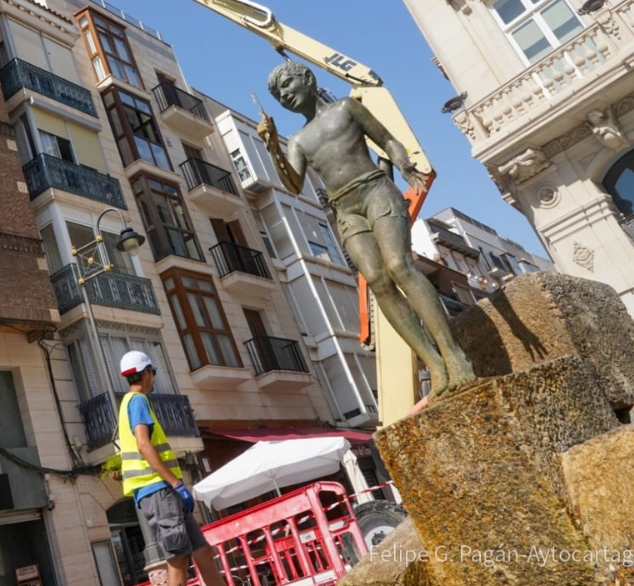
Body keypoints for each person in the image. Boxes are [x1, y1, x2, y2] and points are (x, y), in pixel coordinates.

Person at [259, 61, 476, 398]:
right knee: (377, 281)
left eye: (287, 84)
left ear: (307, 78)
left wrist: (404, 164)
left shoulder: (347, 108)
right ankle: (433, 364)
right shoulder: (297, 141)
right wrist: (273, 149)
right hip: (345, 208)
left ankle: (453, 354)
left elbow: (387, 140)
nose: (283, 95)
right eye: (277, 94)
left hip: (375, 189)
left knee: (399, 266)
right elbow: (293, 184)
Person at [117, 351, 223, 586]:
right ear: (145, 373)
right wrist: (175, 483)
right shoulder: (137, 400)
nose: (153, 378)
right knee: (178, 557)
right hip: (158, 489)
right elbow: (143, 444)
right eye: (152, 373)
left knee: (202, 551)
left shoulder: (129, 402)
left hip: (162, 490)